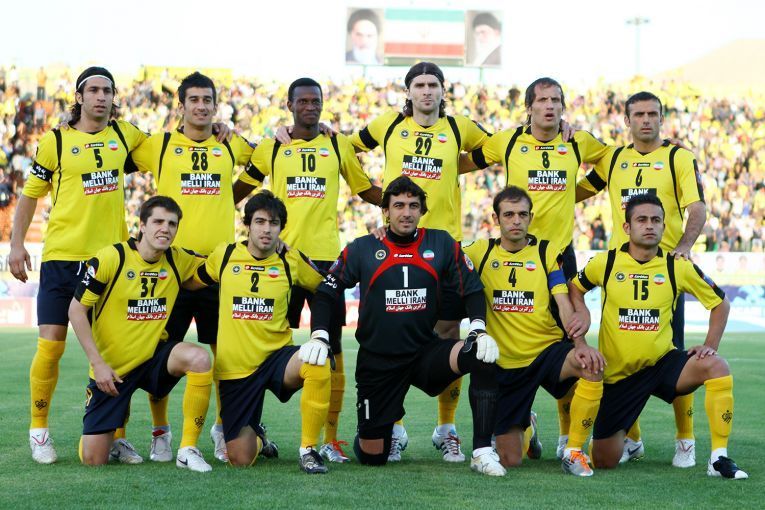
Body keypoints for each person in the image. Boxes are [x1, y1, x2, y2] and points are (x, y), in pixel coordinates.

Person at [279, 62, 493, 462]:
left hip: (443, 245)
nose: (426, 91)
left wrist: (455, 165)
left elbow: (498, 148)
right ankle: (393, 425)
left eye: (433, 85)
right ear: (408, 91)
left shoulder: (460, 127)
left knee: (450, 335)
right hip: (392, 245)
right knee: (392, 330)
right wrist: (293, 133)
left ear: (443, 91)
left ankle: (446, 428)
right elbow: (342, 146)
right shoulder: (387, 124)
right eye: (419, 85)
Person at [310, 176, 500, 471]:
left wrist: (478, 328)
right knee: (374, 457)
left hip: (425, 353)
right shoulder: (363, 248)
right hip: (378, 362)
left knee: (481, 353)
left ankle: (482, 451)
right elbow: (326, 291)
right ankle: (381, 424)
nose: (406, 212)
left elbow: (473, 288)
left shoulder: (441, 243)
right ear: (385, 211)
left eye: (413, 205)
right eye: (398, 205)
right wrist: (320, 334)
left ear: (422, 210)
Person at [9, 66, 148, 464]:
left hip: (111, 262)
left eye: (108, 90)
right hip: (62, 259)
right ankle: (39, 430)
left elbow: (174, 150)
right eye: (94, 90)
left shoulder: (126, 135)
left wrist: (217, 129)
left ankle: (116, 435)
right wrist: (16, 244)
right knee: (51, 346)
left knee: (115, 352)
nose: (101, 97)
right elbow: (30, 196)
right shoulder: (55, 141)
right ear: (80, 97)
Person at [464, 76, 608, 458]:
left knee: (567, 346)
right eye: (542, 100)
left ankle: (567, 437)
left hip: (557, 256)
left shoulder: (577, 141)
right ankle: (520, 418)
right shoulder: (508, 141)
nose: (549, 106)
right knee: (513, 338)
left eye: (556, 100)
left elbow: (612, 162)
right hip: (513, 252)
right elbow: (468, 156)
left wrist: (576, 192)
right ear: (528, 107)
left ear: (563, 106)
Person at [240, 77, 381, 463]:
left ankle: (331, 440)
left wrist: (403, 202)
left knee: (332, 349)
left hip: (325, 264)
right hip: (280, 261)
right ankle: (252, 426)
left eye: (315, 101)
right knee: (262, 346)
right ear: (289, 105)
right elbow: (240, 187)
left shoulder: (337, 144)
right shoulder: (272, 146)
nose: (309, 106)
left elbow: (364, 189)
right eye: (302, 101)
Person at [128, 71, 259, 464]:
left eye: (208, 100)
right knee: (159, 352)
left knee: (225, 357)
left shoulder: (230, 143)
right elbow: (115, 152)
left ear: (215, 106)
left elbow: (264, 159)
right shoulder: (161, 144)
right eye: (194, 100)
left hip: (218, 271)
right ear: (181, 105)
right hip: (171, 271)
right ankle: (160, 432)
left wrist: (229, 197)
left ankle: (221, 429)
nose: (201, 106)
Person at [570, 193, 747, 479]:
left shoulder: (677, 266)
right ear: (627, 227)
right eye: (641, 220)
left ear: (664, 226)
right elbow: (574, 288)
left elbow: (720, 304)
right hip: (618, 376)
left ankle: (719, 457)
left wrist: (710, 346)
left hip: (662, 364)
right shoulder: (606, 262)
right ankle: (632, 440)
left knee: (716, 366)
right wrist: (582, 315)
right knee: (603, 460)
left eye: (656, 220)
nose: (649, 225)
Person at [576, 91, 707, 467]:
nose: (646, 120)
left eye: (653, 114)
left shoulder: (678, 157)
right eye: (639, 114)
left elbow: (697, 208)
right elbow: (578, 190)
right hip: (619, 274)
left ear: (662, 119)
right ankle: (631, 438)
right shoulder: (614, 158)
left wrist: (683, 247)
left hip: (664, 276)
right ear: (627, 120)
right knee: (618, 361)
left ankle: (685, 440)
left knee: (675, 358)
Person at [187, 190, 332, 474]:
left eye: (274, 223)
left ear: (281, 228)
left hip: (278, 358)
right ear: (247, 225)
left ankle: (308, 449)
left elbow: (327, 289)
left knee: (317, 361)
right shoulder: (225, 255)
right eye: (260, 222)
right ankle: (259, 436)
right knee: (240, 459)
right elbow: (192, 281)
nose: (267, 229)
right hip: (237, 369)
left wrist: (320, 334)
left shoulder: (292, 259)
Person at [463, 186, 604, 477]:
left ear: (530, 217)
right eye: (508, 214)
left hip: (545, 352)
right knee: (510, 459)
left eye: (522, 214)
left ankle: (573, 450)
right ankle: (528, 424)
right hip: (504, 363)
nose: (516, 220)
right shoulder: (479, 251)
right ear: (496, 219)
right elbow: (439, 258)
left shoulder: (546, 251)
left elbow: (563, 302)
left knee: (590, 364)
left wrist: (580, 344)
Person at [68, 196, 214, 472]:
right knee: (93, 459)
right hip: (113, 370)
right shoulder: (111, 257)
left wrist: (272, 246)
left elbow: (225, 261)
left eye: (172, 224)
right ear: (142, 225)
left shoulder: (178, 259)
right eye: (158, 221)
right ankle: (112, 438)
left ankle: (187, 449)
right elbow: (76, 310)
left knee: (199, 358)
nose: (165, 228)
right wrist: (98, 364)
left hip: (153, 360)